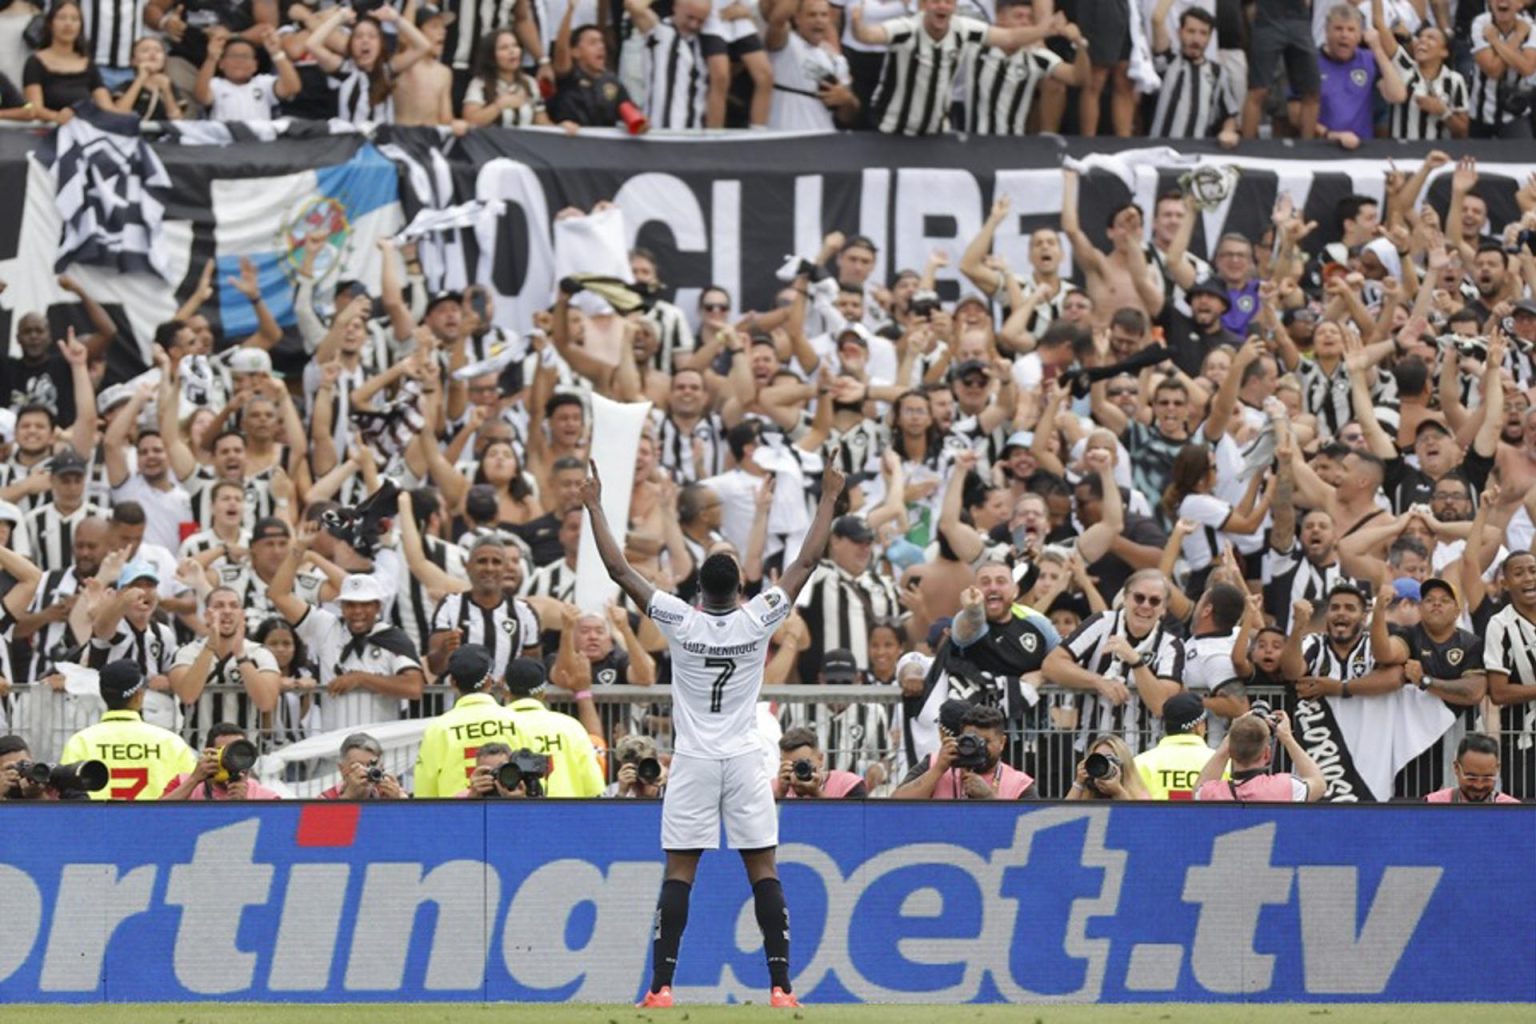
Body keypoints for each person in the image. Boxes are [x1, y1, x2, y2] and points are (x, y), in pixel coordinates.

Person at [584, 449, 847, 1010]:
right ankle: (781, 988)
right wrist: (827, 496)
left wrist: (594, 506)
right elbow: (803, 563)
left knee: (681, 870)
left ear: (699, 593)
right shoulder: (758, 620)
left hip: (697, 761)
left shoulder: (680, 620)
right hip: (748, 757)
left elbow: (618, 570)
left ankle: (660, 989)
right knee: (764, 870)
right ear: (740, 592)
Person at [267, 522, 426, 734]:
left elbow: (413, 687)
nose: (357, 611)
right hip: (333, 746)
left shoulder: (393, 637)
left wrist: (361, 678)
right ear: (341, 606)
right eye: (350, 604)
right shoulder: (325, 626)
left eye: (365, 604)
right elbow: (279, 595)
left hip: (380, 749)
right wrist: (299, 548)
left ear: (377, 606)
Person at [58, 660, 197, 802]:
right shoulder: (171, 743)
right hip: (157, 823)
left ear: (102, 694)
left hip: (99, 823)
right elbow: (194, 790)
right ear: (139, 695)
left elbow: (67, 792)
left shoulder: (81, 742)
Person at [413, 644, 523, 798]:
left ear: (452, 682)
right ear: (490, 681)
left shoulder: (439, 728)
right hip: (507, 813)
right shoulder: (517, 721)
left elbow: (425, 790)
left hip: (457, 817)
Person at [500, 656, 604, 797]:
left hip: (515, 814)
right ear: (543, 693)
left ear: (505, 691)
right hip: (567, 814)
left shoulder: (498, 725)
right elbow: (594, 787)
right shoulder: (571, 726)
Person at [892, 703, 1036, 800]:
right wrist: (937, 770)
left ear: (1002, 742)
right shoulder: (936, 763)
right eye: (972, 740)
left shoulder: (1020, 784)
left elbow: (1028, 832)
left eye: (986, 741)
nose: (979, 748)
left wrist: (989, 798)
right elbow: (895, 806)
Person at [1195, 707, 1326, 802]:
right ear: (1267, 754)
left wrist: (1230, 738)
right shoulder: (1286, 786)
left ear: (1230, 751)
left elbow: (1197, 790)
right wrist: (1287, 738)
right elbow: (1318, 783)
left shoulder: (1211, 793)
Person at [21, 1, 112, 123]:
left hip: (83, 134)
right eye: (62, 18)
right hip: (48, 134)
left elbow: (107, 107)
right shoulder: (35, 62)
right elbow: (33, 108)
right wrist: (57, 117)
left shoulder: (88, 64)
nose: (68, 24)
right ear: (50, 23)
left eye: (74, 19)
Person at [159, 722, 281, 800]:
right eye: (224, 753)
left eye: (239, 753)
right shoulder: (183, 782)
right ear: (208, 753)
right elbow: (155, 816)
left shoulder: (266, 799)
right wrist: (194, 780)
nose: (233, 760)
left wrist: (245, 805)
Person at [1134, 690, 1216, 800]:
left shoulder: (1140, 763)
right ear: (1198, 726)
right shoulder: (1221, 763)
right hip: (1205, 817)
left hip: (1156, 817)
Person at [773, 725, 866, 798]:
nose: (797, 771)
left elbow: (851, 820)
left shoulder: (848, 785)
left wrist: (816, 793)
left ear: (820, 759)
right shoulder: (774, 788)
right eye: (791, 766)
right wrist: (780, 794)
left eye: (804, 764)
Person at [1424, 733, 1520, 804]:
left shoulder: (1512, 809)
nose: (1479, 785)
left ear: (1497, 769)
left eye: (1487, 778)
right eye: (1471, 778)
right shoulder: (1434, 804)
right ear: (1456, 768)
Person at [320, 732, 407, 799]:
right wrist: (349, 796)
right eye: (357, 765)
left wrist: (398, 802)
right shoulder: (326, 798)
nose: (365, 771)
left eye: (371, 765)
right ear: (342, 769)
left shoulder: (387, 792)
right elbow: (325, 821)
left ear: (381, 768)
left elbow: (413, 820)